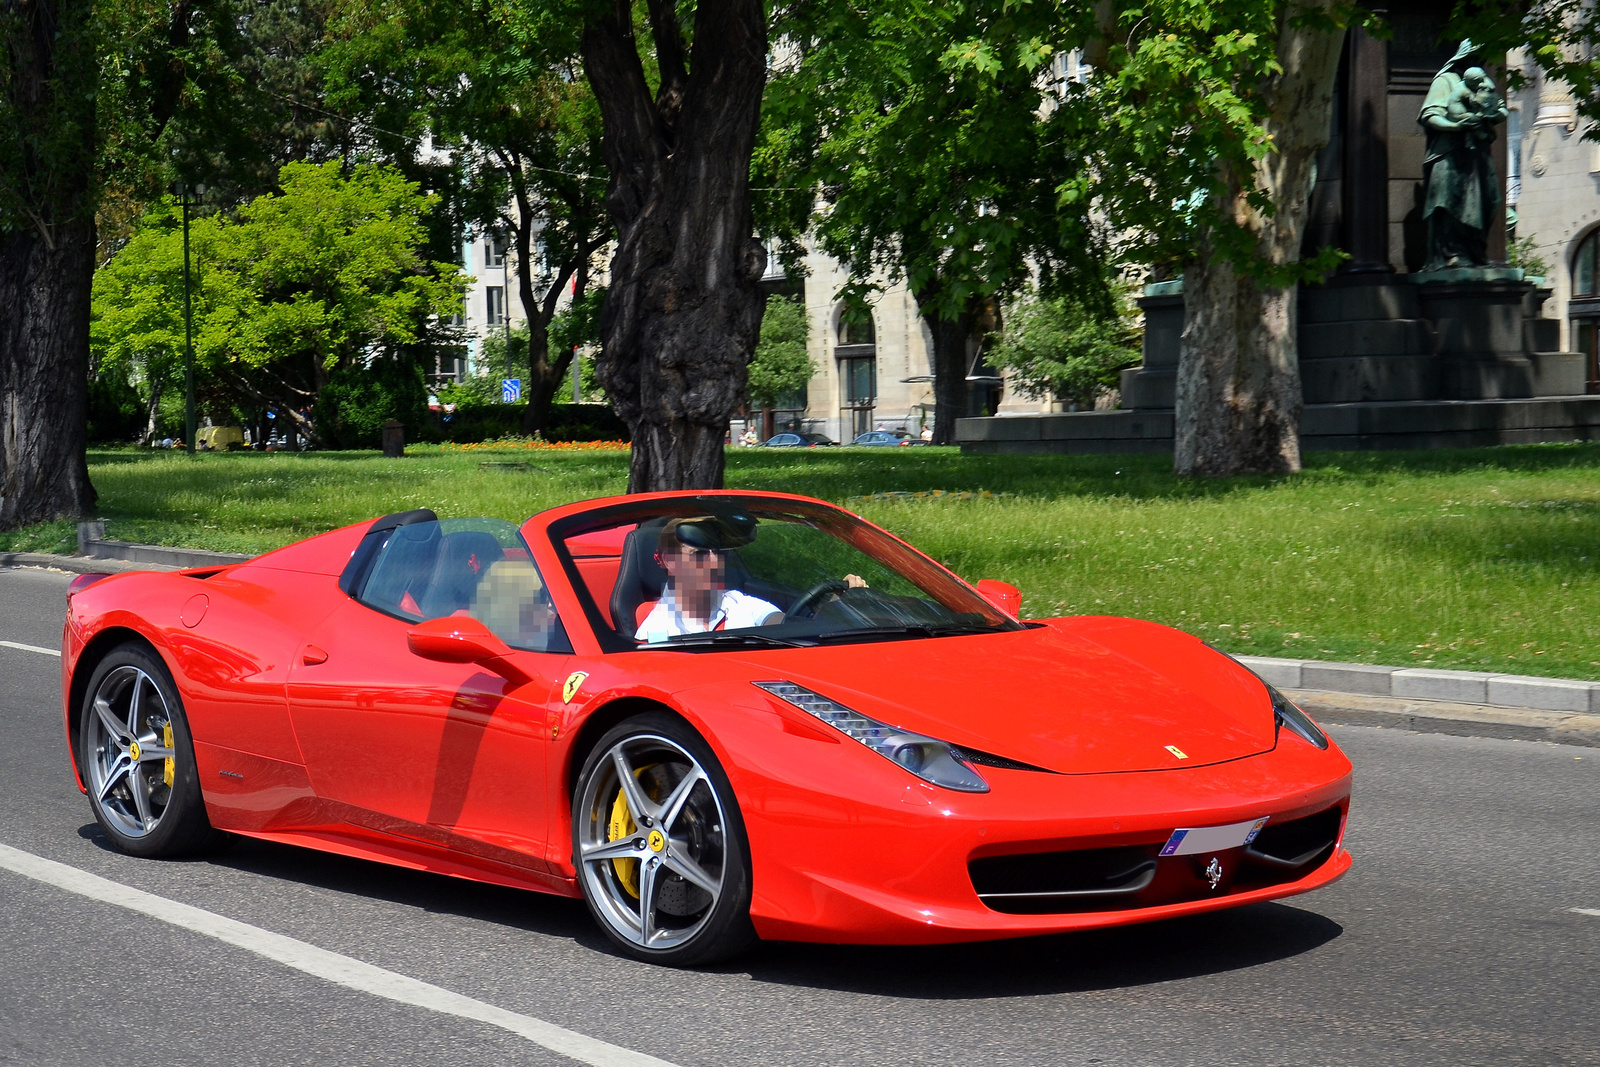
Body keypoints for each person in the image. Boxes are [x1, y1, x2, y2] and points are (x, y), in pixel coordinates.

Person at [634, 518, 783, 642]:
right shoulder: (654, 633)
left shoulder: (739, 602)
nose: (715, 563)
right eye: (699, 553)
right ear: (670, 561)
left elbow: (783, 624)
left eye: (718, 552)